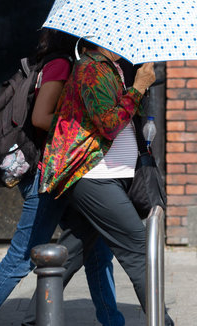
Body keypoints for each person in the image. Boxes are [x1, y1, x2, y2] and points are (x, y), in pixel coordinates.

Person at [0, 29, 123, 326]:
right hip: (45, 175)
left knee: (97, 249)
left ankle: (112, 320)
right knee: (22, 256)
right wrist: (79, 121)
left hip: (61, 173)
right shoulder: (61, 65)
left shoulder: (59, 63)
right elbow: (41, 118)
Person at [38, 43, 174, 325]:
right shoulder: (91, 69)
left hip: (104, 176)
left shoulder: (109, 69)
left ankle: (32, 319)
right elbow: (110, 123)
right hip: (94, 177)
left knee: (68, 256)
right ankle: (163, 322)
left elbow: (116, 115)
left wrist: (139, 90)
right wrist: (137, 88)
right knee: (138, 249)